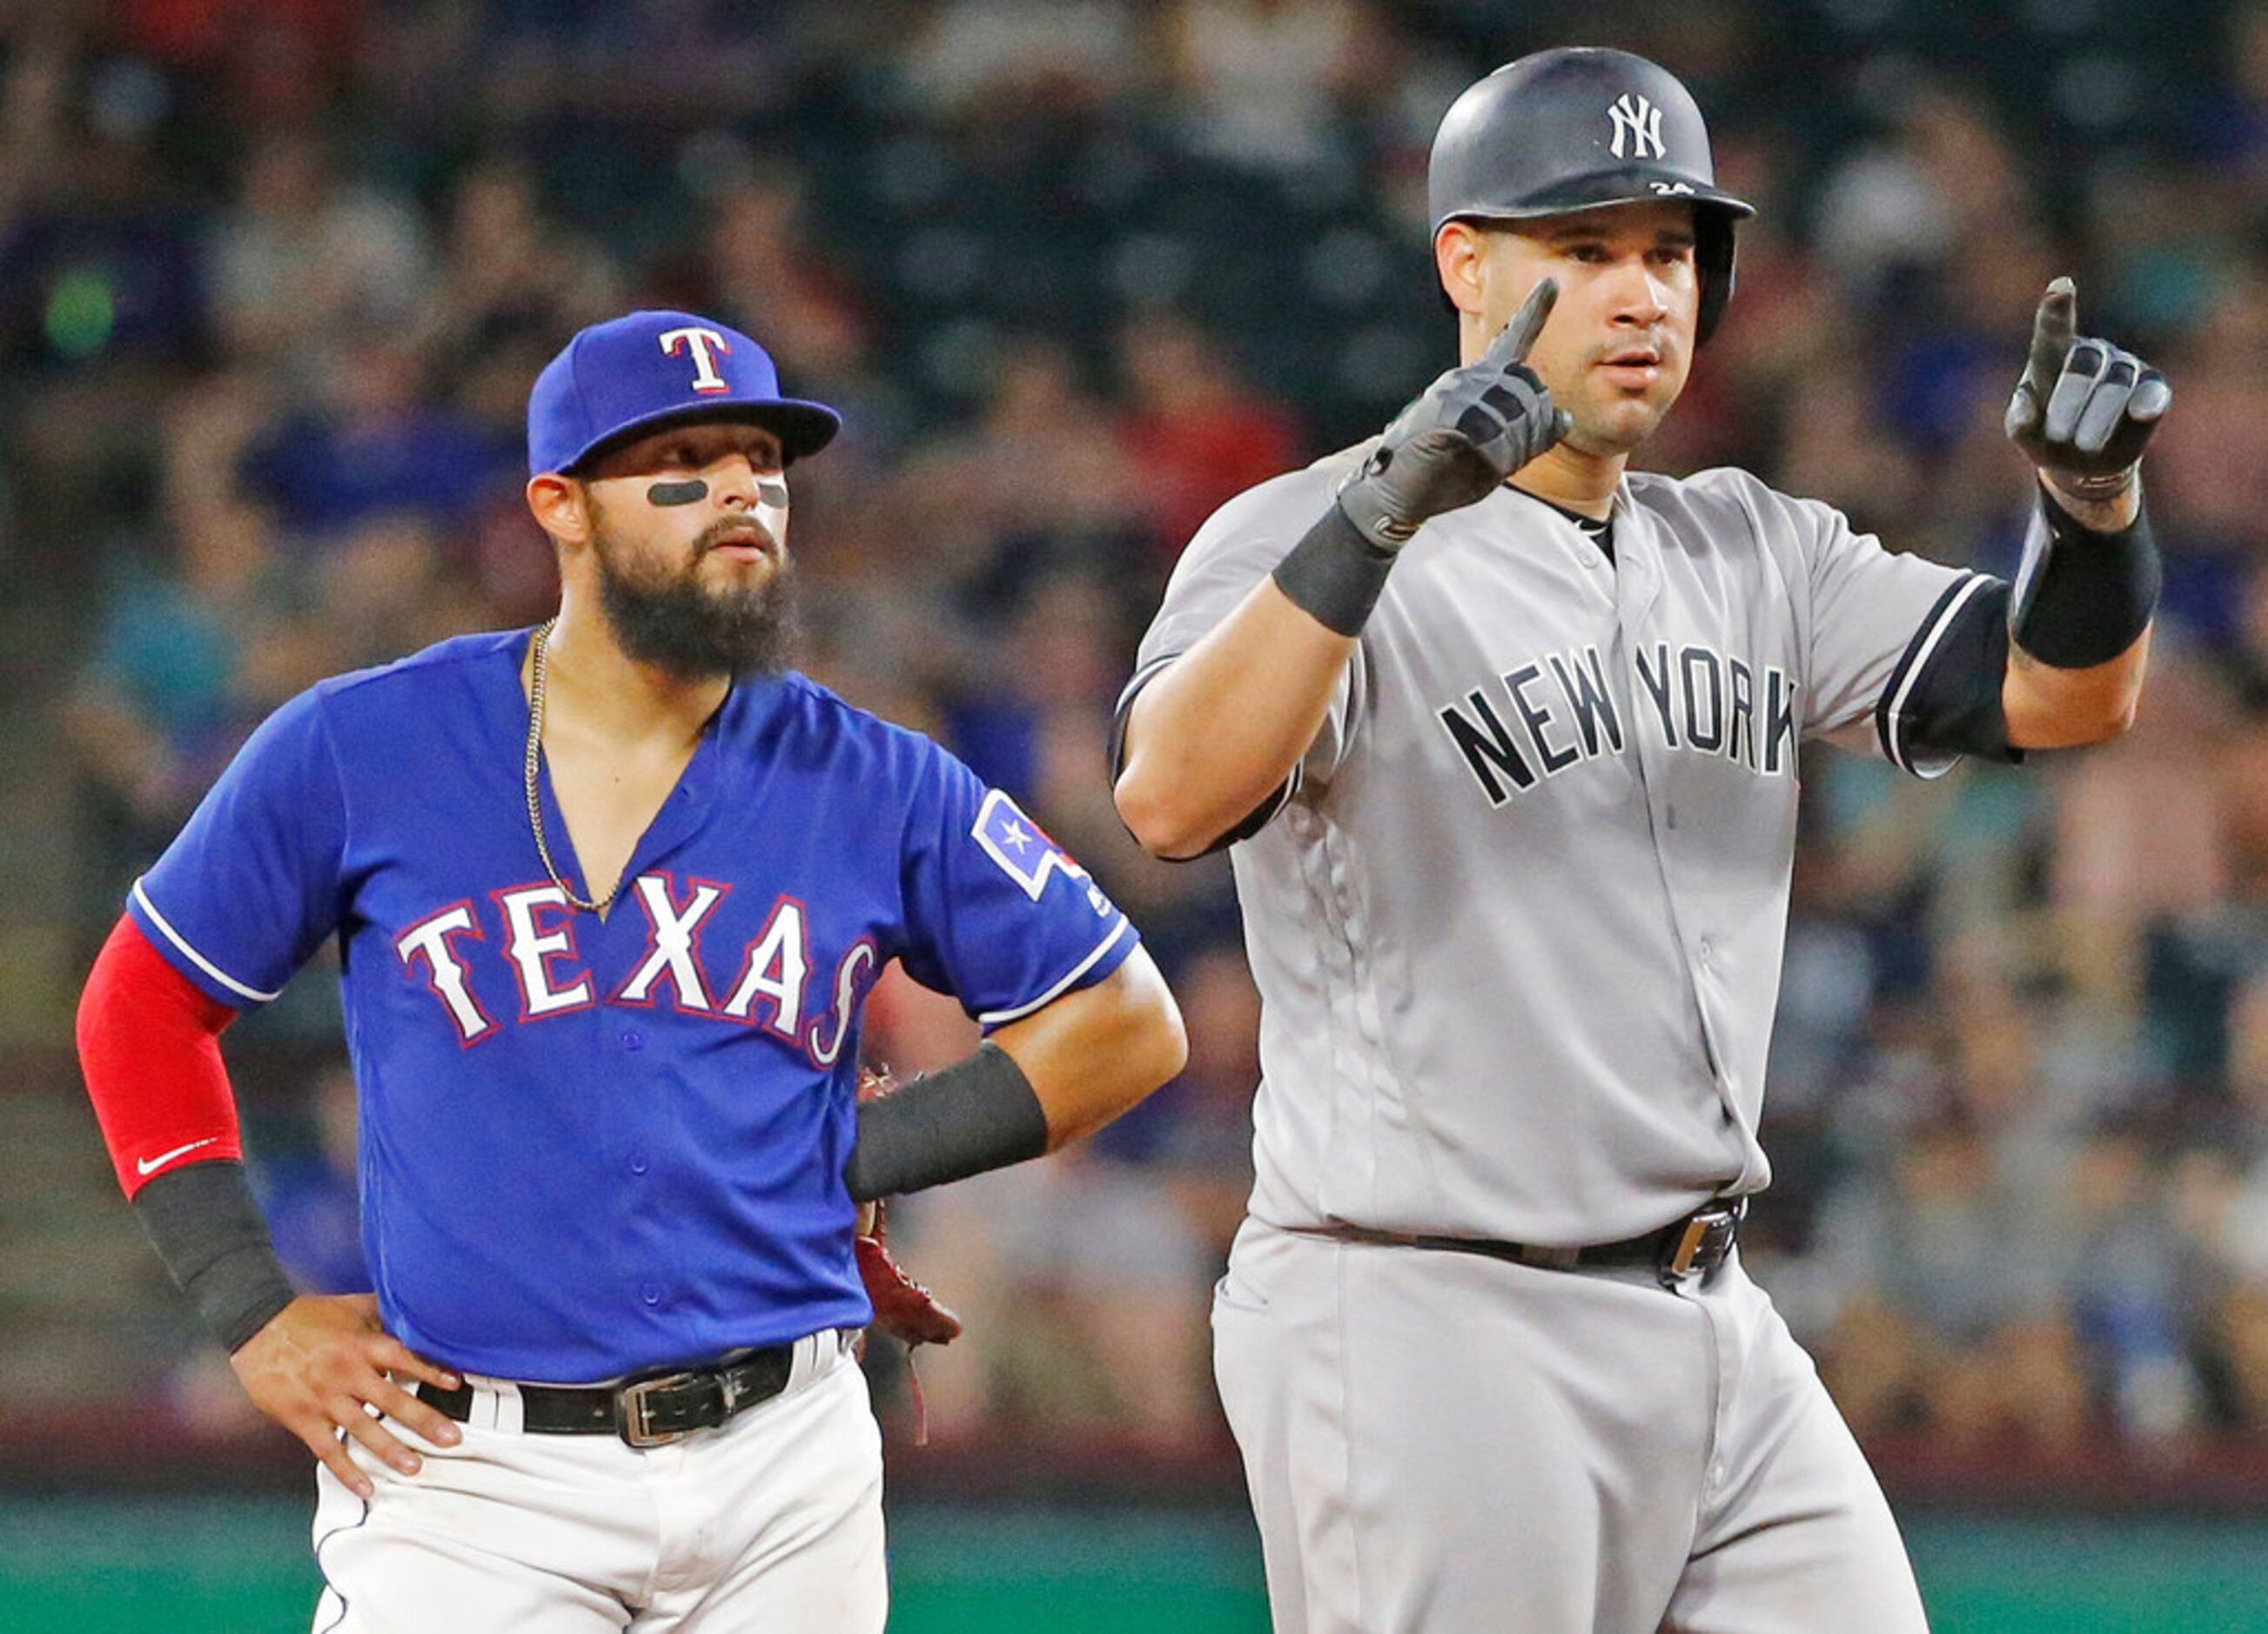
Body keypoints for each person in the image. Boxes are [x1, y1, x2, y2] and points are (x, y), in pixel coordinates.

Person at [1111, 47, 2169, 1634]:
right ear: (1466, 265)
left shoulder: (1753, 543)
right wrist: (1382, 516)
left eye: (1668, 252)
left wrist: (2091, 518)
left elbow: (2055, 698)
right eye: (1584, 248)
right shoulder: (1295, 531)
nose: (1639, 295)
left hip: (1714, 1313)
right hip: (1427, 1310)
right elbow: (1168, 801)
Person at [76, 308, 1186, 1631]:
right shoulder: (365, 743)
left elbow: (1125, 1020)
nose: (739, 491)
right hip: (472, 1472)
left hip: (788, 1459)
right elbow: (140, 1002)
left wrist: (859, 1151)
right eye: (683, 462)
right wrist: (249, 1306)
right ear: (562, 505)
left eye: (761, 465)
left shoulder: (871, 775)